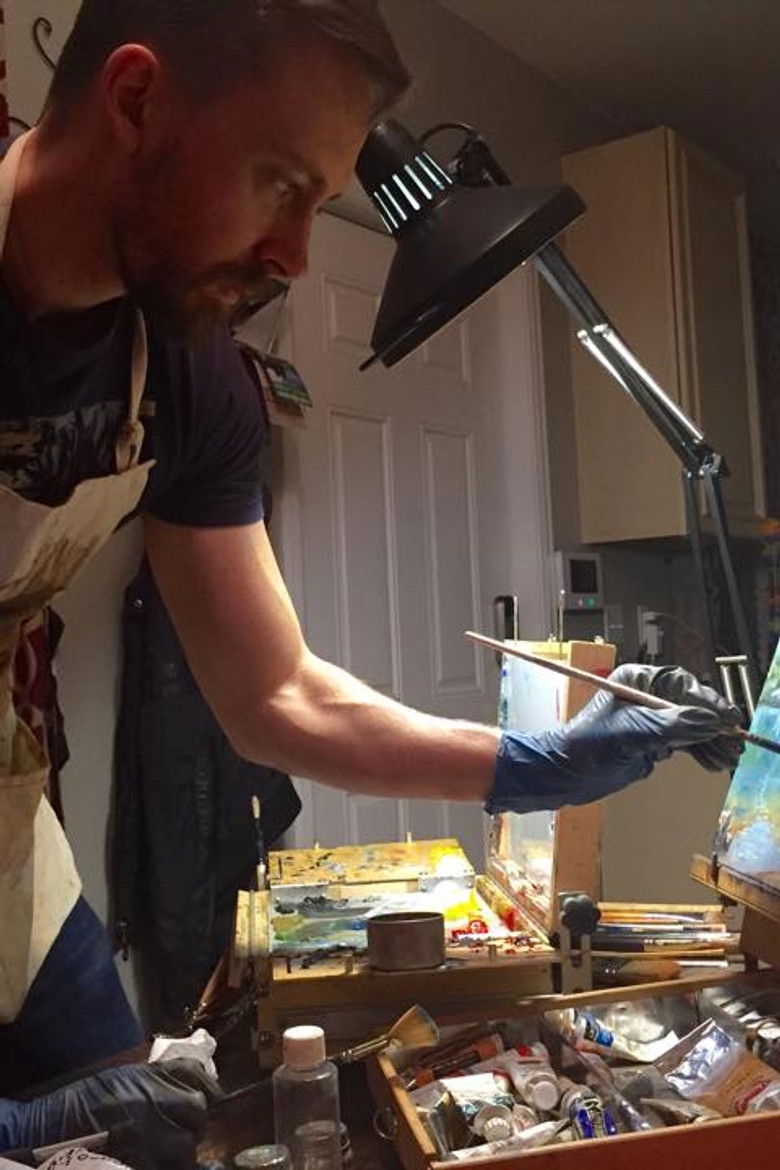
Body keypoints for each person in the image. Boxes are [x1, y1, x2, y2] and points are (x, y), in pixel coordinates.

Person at [0, 0, 740, 1128]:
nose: (297, 256)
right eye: (281, 184)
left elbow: (277, 695)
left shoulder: (188, 379)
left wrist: (535, 762)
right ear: (136, 99)